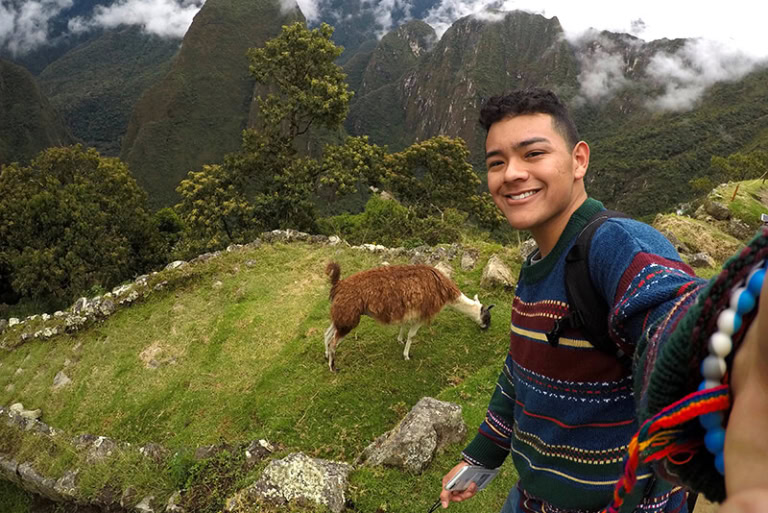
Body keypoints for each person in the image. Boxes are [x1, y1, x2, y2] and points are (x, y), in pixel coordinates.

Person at [438, 88, 768, 512]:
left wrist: (730, 343)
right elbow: (520, 368)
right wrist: (482, 458)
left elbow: (669, 312)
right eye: (496, 162)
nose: (512, 174)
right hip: (531, 499)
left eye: (533, 154)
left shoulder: (616, 244)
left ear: (579, 160)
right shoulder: (537, 261)